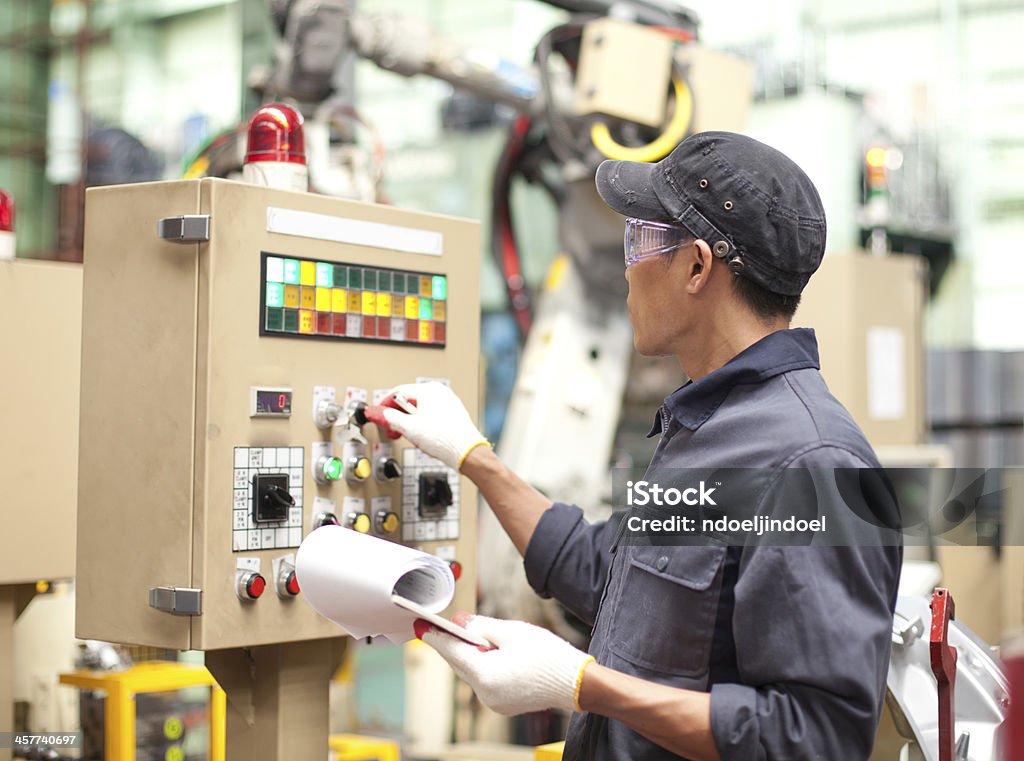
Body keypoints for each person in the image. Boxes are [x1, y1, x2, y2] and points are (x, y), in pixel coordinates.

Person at [368, 131, 902, 761]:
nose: (628, 267)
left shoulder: (810, 465)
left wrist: (583, 686)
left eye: (642, 241)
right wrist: (471, 457)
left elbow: (812, 739)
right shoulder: (708, 425)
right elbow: (611, 573)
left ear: (698, 266)